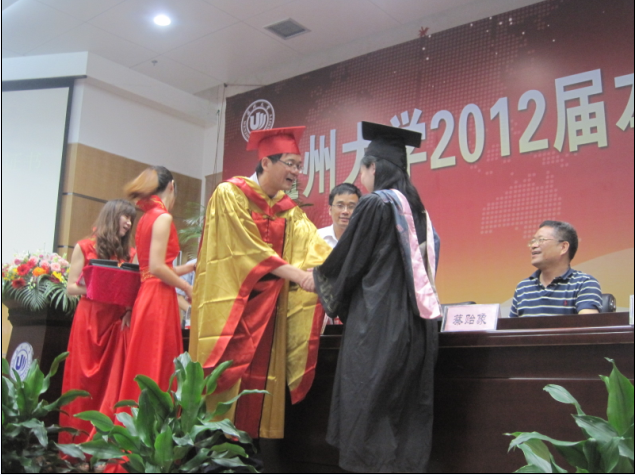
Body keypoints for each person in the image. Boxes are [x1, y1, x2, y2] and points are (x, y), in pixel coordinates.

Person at [313, 122, 441, 473]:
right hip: (417, 328)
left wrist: (318, 279)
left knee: (368, 413)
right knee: (403, 414)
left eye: (362, 171)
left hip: (378, 326)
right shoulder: (420, 212)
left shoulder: (375, 204)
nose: (361, 179)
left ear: (373, 167)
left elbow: (348, 264)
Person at [190, 126, 331, 444]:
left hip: (269, 315)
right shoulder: (229, 195)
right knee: (224, 381)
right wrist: (299, 276)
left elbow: (315, 249)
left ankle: (249, 451)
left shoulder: (289, 212)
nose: (296, 172)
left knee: (259, 386)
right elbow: (246, 250)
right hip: (233, 310)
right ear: (266, 162)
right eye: (290, 164)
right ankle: (213, 452)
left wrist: (332, 271)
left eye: (299, 165)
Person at [116, 166, 196, 405]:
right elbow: (158, 267)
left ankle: (137, 419)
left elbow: (152, 269)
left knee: (146, 360)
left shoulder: (145, 218)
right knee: (159, 360)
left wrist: (187, 268)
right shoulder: (163, 217)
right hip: (159, 299)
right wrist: (187, 287)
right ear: (171, 186)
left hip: (148, 294)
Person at [59, 199, 137, 444]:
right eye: (125, 217)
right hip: (90, 320)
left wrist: (128, 311)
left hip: (116, 322)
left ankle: (105, 445)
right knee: (84, 380)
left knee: (112, 383)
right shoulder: (84, 247)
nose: (129, 223)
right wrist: (99, 288)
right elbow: (71, 288)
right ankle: (77, 444)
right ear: (112, 217)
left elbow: (133, 289)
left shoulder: (130, 253)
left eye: (131, 219)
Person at [510, 220, 602, 317]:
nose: (533, 246)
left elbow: (588, 324)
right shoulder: (523, 287)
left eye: (541, 240)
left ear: (563, 247)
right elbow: (511, 326)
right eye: (533, 241)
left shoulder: (584, 283)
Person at [318, 183, 362, 248]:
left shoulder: (365, 239)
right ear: (330, 210)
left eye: (351, 206)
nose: (345, 211)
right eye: (340, 206)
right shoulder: (317, 238)